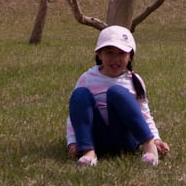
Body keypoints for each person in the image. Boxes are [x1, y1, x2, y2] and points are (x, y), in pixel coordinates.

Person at [66, 25, 171, 166]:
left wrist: (156, 139)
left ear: (130, 57)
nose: (115, 59)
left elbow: (144, 113)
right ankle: (89, 152)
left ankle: (149, 146)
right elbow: (76, 114)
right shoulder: (87, 78)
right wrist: (72, 141)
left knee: (117, 92)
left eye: (121, 53)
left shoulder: (134, 80)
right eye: (109, 52)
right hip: (98, 140)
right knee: (79, 95)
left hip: (125, 140)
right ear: (99, 54)